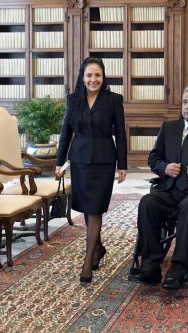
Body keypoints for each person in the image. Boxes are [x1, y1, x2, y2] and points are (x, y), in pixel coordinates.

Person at [134, 85, 188, 290]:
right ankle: (151, 264)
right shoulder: (169, 128)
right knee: (147, 202)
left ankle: (179, 269)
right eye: (184, 102)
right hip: (169, 190)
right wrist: (164, 168)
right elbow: (154, 158)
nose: (187, 107)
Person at [55, 57, 127, 284]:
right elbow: (66, 132)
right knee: (87, 208)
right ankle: (98, 248)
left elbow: (121, 134)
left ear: (103, 77)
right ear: (82, 77)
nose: (93, 79)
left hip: (105, 161)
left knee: (95, 210)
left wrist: (122, 164)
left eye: (97, 75)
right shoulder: (73, 99)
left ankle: (87, 263)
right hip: (80, 161)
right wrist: (59, 162)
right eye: (89, 75)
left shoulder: (114, 100)